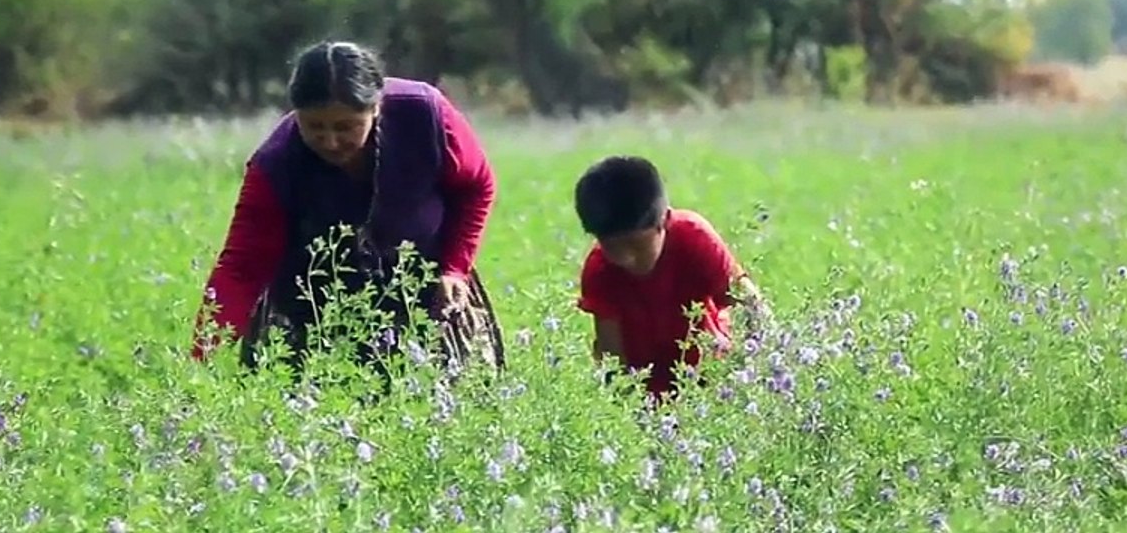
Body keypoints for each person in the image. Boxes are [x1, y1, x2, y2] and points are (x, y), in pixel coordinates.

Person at [190, 40, 506, 377]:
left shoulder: (425, 116)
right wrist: (203, 359)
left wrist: (455, 268)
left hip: (426, 296)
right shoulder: (276, 164)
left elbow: (477, 186)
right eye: (314, 127)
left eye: (345, 127)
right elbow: (241, 266)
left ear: (376, 109)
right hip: (314, 311)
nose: (330, 141)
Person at [573, 155, 769, 400]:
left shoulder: (693, 237)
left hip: (712, 376)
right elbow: (613, 358)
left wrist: (760, 372)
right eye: (611, 247)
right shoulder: (599, 270)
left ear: (664, 220)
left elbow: (750, 304)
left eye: (635, 246)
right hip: (647, 392)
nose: (624, 259)